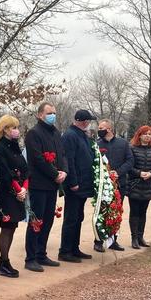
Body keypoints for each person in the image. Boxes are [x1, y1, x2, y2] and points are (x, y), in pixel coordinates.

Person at [24, 102, 68, 272]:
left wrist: (63, 171)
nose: (53, 116)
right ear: (40, 114)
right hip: (39, 184)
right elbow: (37, 159)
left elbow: (62, 155)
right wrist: (54, 173)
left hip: (52, 185)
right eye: (49, 113)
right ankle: (31, 258)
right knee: (37, 220)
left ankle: (41, 253)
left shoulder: (56, 133)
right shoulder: (34, 134)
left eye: (54, 113)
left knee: (48, 220)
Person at [0, 115, 28, 278]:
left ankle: (4, 261)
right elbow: (5, 172)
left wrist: (24, 188)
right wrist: (18, 189)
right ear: (5, 129)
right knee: (6, 227)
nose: (16, 130)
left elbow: (25, 169)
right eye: (14, 127)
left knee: (12, 226)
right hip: (7, 193)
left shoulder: (15, 146)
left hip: (19, 191)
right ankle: (4, 262)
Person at [58, 109, 96, 263]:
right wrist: (73, 182)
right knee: (71, 218)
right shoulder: (70, 136)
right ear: (84, 121)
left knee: (78, 217)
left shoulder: (81, 135)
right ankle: (65, 250)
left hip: (83, 184)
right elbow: (69, 160)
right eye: (88, 121)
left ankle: (74, 248)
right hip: (75, 185)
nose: (89, 123)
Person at [94, 119, 133, 252]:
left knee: (115, 212)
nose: (99, 130)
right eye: (99, 128)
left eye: (102, 128)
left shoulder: (123, 143)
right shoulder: (97, 144)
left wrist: (118, 172)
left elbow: (130, 161)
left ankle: (113, 240)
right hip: (103, 184)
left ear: (109, 129)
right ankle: (98, 241)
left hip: (119, 183)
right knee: (101, 212)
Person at [127, 125, 151, 249]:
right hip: (135, 185)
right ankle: (134, 238)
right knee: (134, 212)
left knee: (143, 212)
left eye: (149, 134)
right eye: (145, 134)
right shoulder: (132, 148)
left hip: (148, 185)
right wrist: (139, 173)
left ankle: (141, 237)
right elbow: (129, 166)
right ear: (139, 135)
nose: (147, 136)